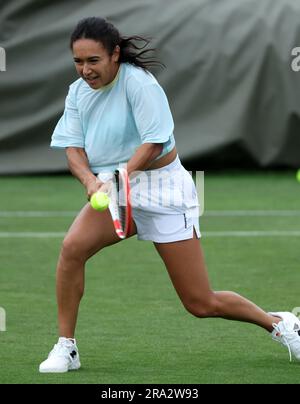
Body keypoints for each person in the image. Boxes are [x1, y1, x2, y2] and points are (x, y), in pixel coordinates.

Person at [39, 17, 300, 373]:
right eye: (78, 62)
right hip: (115, 186)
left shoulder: (140, 84)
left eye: (93, 61)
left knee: (200, 302)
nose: (85, 70)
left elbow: (154, 142)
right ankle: (67, 347)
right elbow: (72, 148)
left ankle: (279, 323)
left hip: (162, 188)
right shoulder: (77, 92)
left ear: (115, 55)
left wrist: (119, 177)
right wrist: (90, 182)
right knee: (71, 249)